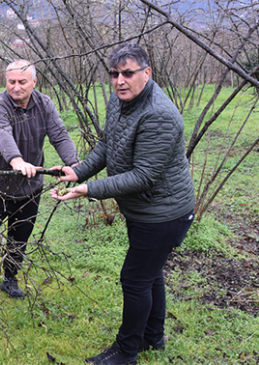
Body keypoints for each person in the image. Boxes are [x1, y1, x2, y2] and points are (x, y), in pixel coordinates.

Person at [50, 43, 195, 365]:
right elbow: (107, 144)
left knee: (135, 279)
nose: (119, 81)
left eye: (128, 73)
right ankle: (152, 338)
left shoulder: (159, 114)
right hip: (145, 209)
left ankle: (126, 351)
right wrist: (79, 171)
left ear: (147, 73)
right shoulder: (121, 102)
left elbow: (143, 175)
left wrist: (89, 189)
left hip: (163, 213)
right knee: (150, 275)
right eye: (114, 74)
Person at [0, 60, 79, 304]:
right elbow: (1, 134)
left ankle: (9, 278)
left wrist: (75, 164)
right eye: (11, 81)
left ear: (34, 82)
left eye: (22, 82)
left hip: (31, 188)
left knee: (20, 236)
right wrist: (16, 161)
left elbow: (59, 135)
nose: (16, 87)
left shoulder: (44, 105)